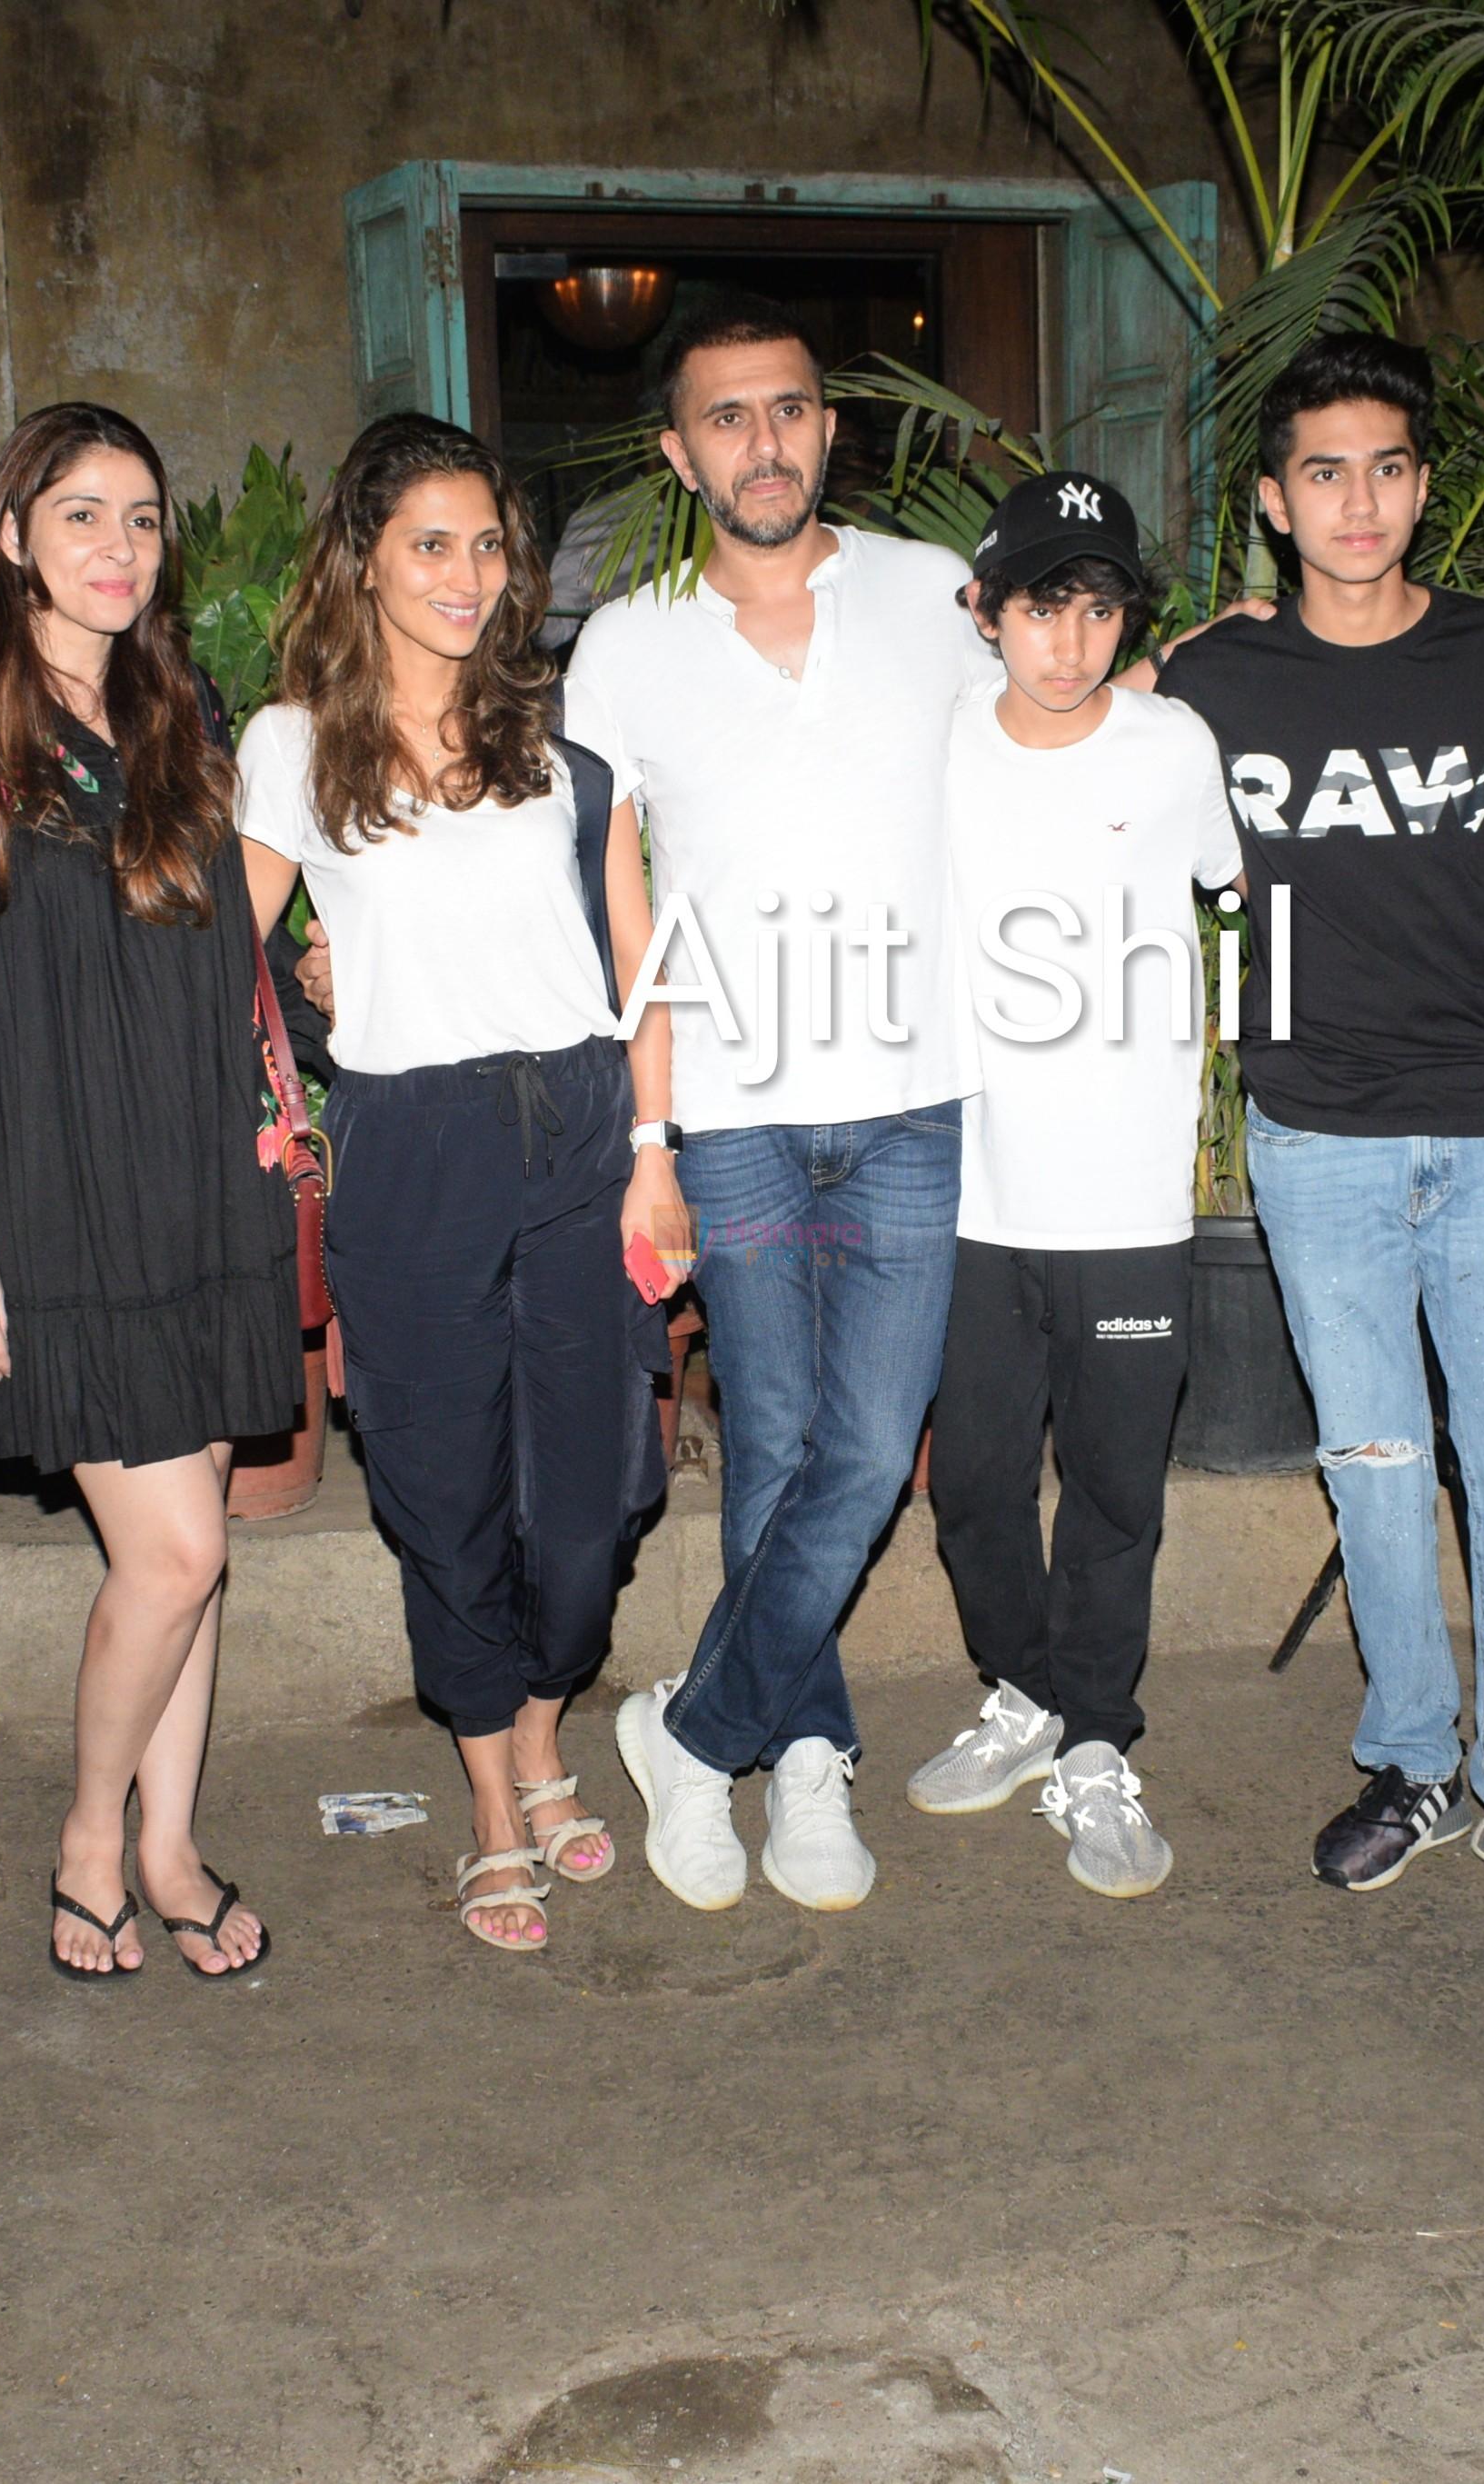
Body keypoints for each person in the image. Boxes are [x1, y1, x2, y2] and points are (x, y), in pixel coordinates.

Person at [1146, 333, 1484, 1933]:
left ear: (1421, 486)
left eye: (1384, 467)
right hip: (1314, 1132)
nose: (1355, 501)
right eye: (1321, 472)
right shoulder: (1216, 683)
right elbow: (1066, 726)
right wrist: (1166, 645)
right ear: (1276, 504)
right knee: (1372, 1466)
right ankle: (1412, 1759)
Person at [236, 413, 682, 1951]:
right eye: (433, 542)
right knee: (441, 1482)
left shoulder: (558, 751)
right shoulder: (291, 746)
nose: (469, 575)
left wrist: (651, 1153)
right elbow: (234, 957)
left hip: (576, 1124)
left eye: (489, 545)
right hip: (411, 1142)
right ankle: (502, 1792)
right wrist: (290, 1040)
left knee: (602, 1486)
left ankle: (546, 1712)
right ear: (365, 556)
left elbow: (640, 972)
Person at [563, 305, 986, 1916]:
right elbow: (617, 900)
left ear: (828, 428)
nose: (764, 442)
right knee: (779, 1448)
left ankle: (692, 1728)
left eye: (790, 410)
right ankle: (805, 1752)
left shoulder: (936, 596)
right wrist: (647, 1136)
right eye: (727, 419)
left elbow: (1062, 713)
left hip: (912, 1093)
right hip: (732, 1104)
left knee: (870, 1450)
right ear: (680, 453)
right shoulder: (630, 641)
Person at [0, 402, 296, 1981]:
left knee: (189, 1557)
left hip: (191, 1178)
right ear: (12, 536)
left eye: (140, 517)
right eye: (81, 516)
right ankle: (90, 1834)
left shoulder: (182, 707)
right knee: (176, 1550)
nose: (117, 548)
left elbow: (225, 953)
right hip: (48, 1201)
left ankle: (172, 1848)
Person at [904, 471, 1240, 1900]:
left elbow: (1247, 891)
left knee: (1114, 1493)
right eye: (1044, 605)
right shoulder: (930, 745)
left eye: (1100, 608)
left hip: (1130, 1204)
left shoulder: (1174, 745)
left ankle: (1096, 1737)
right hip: (973, 1195)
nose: (1071, 639)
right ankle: (1025, 1690)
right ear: (987, 613)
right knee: (974, 1486)